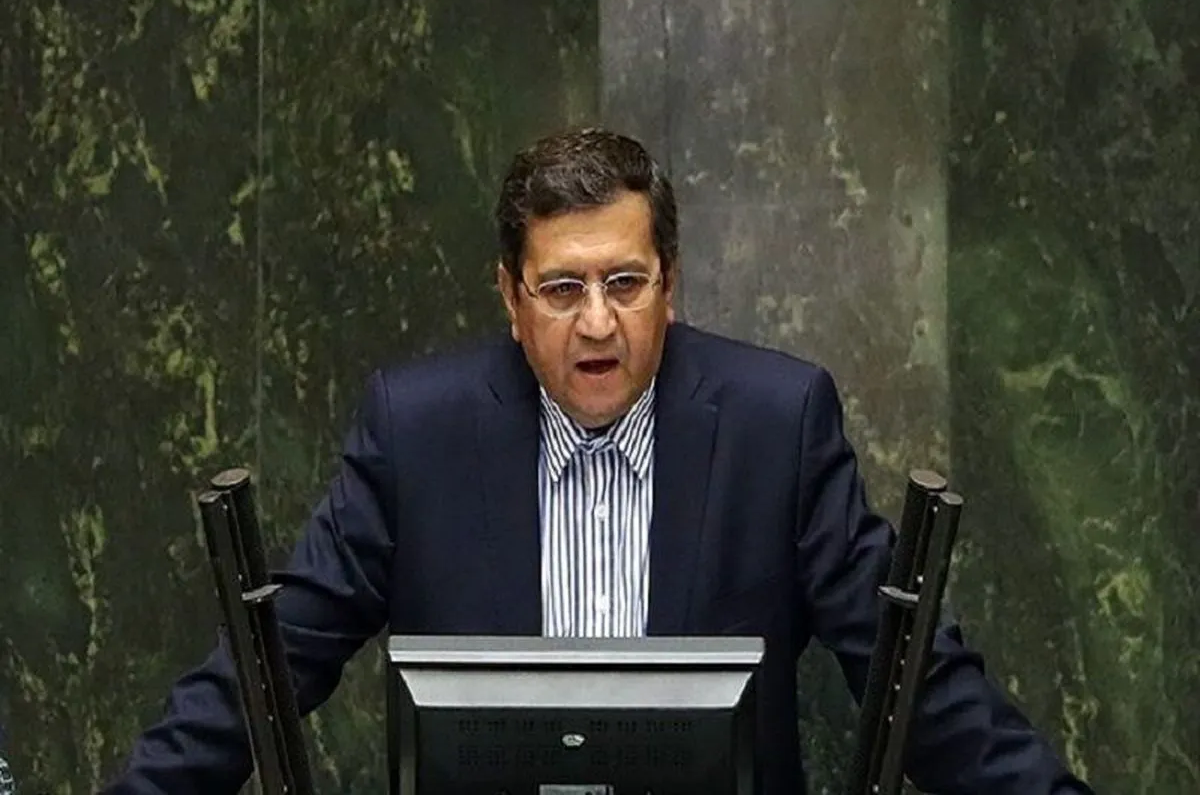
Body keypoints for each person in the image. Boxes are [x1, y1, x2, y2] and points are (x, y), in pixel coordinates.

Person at [101, 127, 1092, 794]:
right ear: (510, 297)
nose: (598, 322)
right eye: (563, 288)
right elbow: (269, 667)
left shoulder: (774, 424)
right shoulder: (418, 431)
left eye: (625, 281)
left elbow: (915, 681)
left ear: (670, 284)